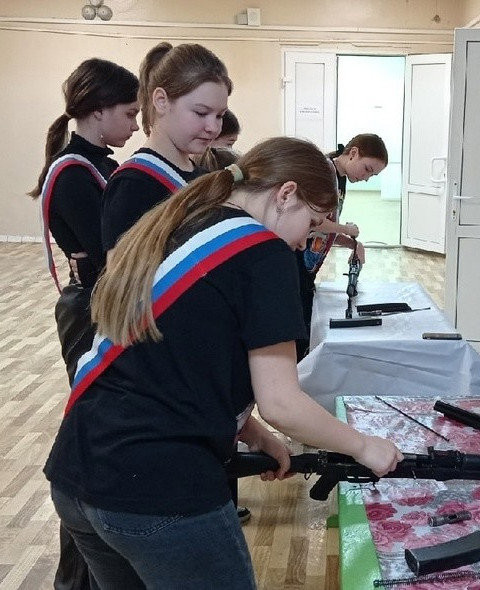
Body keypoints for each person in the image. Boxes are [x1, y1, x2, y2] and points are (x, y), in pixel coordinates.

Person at [44, 136, 403, 590]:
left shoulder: (186, 222)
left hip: (78, 470)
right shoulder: (265, 253)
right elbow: (282, 403)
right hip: (158, 488)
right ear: (286, 194)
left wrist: (253, 432)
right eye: (311, 223)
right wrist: (363, 445)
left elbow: (174, 361)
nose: (303, 243)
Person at [29, 57, 140, 590]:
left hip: (104, 302)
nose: (136, 125)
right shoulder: (75, 172)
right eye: (129, 113)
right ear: (98, 111)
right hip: (92, 309)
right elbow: (113, 249)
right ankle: (77, 578)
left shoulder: (96, 164)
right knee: (91, 445)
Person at [101, 42, 231, 251]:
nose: (213, 127)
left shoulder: (204, 175)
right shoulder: (131, 185)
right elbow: (121, 269)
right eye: (201, 113)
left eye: (220, 116)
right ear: (161, 101)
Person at [295, 133, 389, 360]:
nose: (366, 178)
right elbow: (311, 220)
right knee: (298, 330)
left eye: (372, 175)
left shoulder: (341, 179)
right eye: (367, 169)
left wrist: (351, 243)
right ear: (353, 153)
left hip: (308, 267)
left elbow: (324, 230)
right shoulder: (324, 172)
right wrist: (346, 229)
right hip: (295, 261)